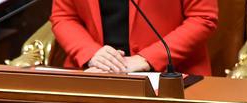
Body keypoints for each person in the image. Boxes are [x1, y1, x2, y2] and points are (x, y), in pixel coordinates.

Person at [51, 0, 218, 75]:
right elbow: (64, 17)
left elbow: (202, 18)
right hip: (94, 73)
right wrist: (91, 53)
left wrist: (146, 59)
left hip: (169, 77)